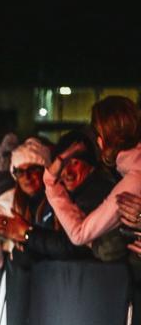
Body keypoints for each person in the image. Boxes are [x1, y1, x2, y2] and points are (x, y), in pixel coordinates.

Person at [0, 130, 114, 263]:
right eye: (20, 172)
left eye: (75, 163)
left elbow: (72, 245)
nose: (68, 172)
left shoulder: (95, 194)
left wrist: (27, 233)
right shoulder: (22, 205)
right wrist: (23, 243)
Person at [46, 96, 141, 248]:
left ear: (102, 140)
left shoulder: (132, 183)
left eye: (75, 163)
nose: (68, 173)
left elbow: (79, 234)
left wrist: (50, 183)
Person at [0, 138, 49, 273]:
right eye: (20, 172)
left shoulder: (56, 200)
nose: (26, 177)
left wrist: (25, 235)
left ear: (45, 170)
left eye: (32, 170)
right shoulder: (9, 203)